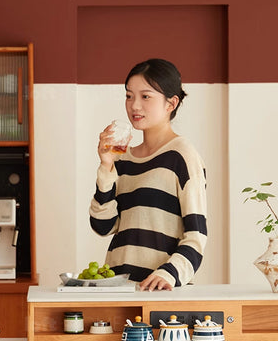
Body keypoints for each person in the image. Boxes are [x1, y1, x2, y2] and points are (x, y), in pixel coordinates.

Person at [89, 58, 207, 291]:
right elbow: (103, 227)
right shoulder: (122, 158)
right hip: (116, 287)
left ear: (171, 103)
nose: (134, 106)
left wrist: (169, 274)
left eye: (146, 96)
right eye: (129, 96)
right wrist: (106, 167)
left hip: (160, 290)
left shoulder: (182, 156)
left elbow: (197, 236)